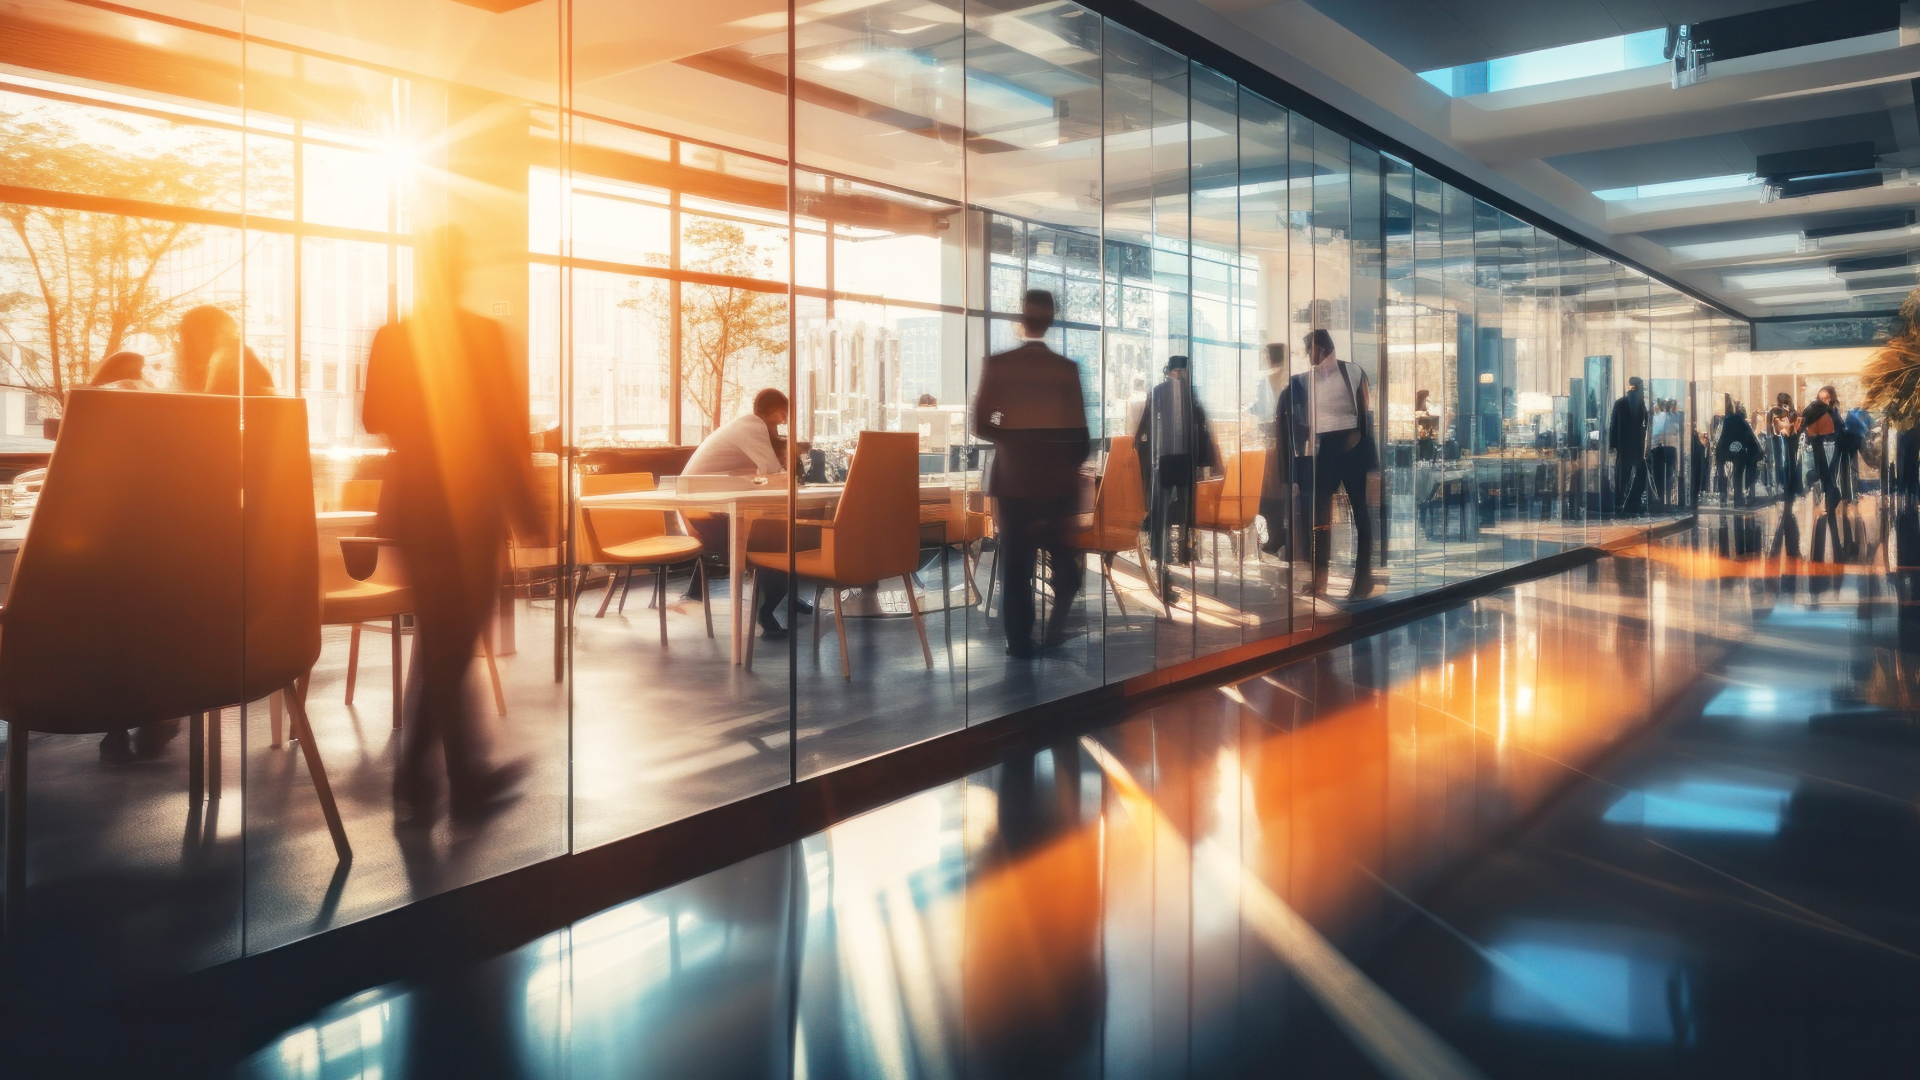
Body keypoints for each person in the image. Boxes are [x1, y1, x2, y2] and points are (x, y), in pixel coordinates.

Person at [362, 226, 540, 823]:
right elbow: (507, 431)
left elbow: (373, 416)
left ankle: (447, 778)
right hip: (468, 507)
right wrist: (528, 508)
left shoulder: (394, 336)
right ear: (459, 267)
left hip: (415, 504)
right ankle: (435, 778)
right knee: (452, 640)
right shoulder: (483, 336)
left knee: (444, 640)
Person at [973, 290, 1090, 658]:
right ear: (1052, 319)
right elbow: (1080, 437)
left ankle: (1020, 644)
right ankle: (1057, 626)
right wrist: (1062, 462)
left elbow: (983, 420)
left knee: (1017, 567)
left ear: (1020, 321)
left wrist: (1007, 426)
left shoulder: (999, 365)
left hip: (1014, 480)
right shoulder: (1066, 370)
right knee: (1064, 564)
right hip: (1056, 484)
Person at [681, 388, 801, 638]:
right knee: (773, 536)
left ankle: (786, 597)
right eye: (783, 413)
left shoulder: (747, 428)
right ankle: (770, 608)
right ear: (771, 411)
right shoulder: (752, 426)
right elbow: (772, 471)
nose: (784, 419)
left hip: (700, 508)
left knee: (776, 526)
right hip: (706, 514)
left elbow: (763, 475)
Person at [1276, 328, 1377, 600]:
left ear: (1319, 348)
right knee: (1319, 518)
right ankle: (1319, 579)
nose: (1308, 355)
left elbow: (1365, 416)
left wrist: (1370, 459)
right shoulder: (1305, 381)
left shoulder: (1352, 372)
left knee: (1360, 515)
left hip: (1352, 447)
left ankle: (1363, 578)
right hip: (1325, 449)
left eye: (1309, 350)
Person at [1134, 354, 1217, 603]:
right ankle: (1177, 556)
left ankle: (1168, 559)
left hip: (1166, 461)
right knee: (1178, 513)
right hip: (1178, 461)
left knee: (1166, 514)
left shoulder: (1161, 392)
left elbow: (1144, 431)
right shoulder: (1185, 395)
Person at [1252, 344, 1289, 557]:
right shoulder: (1286, 377)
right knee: (1278, 491)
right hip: (1283, 442)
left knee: (1268, 492)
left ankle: (1276, 536)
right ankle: (1280, 535)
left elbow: (1264, 413)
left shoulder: (1268, 379)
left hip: (1271, 442)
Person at [1607, 376, 1650, 516]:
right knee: (1635, 475)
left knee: (1622, 475)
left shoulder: (1620, 403)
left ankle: (1620, 504)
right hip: (1637, 446)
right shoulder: (1641, 404)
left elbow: (1613, 426)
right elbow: (1645, 427)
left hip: (1623, 446)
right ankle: (1632, 503)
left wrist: (1612, 444)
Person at [1802, 385, 1843, 513]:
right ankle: (1830, 499)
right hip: (1819, 445)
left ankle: (1828, 503)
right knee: (1822, 475)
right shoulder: (1824, 410)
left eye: (1827, 398)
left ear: (1832, 398)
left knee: (1827, 475)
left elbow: (1839, 427)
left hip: (1827, 444)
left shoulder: (1831, 411)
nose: (1825, 401)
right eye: (1822, 398)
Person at [1716, 402, 1762, 508]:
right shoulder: (1740, 420)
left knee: (1722, 473)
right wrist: (1758, 450)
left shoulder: (1727, 420)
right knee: (1738, 472)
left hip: (1723, 450)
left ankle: (1723, 496)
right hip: (1736, 450)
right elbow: (1750, 437)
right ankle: (1739, 497)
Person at [1767, 392, 1802, 496]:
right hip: (1779, 438)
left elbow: (1794, 427)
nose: (1780, 406)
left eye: (1782, 403)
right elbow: (1771, 428)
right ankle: (1784, 485)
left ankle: (1787, 486)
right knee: (1782, 462)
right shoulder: (1774, 412)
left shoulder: (1791, 413)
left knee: (1786, 462)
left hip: (1787, 438)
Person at [1649, 398, 1681, 507]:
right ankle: (1666, 499)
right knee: (1668, 475)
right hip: (1669, 449)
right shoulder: (1672, 417)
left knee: (1659, 475)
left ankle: (1661, 499)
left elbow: (1655, 434)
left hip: (1658, 449)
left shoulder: (1656, 418)